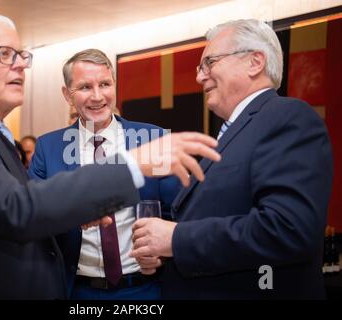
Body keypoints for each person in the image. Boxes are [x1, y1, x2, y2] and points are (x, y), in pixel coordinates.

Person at [0, 14, 220, 299]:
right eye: (5, 54)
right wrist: (131, 164)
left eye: (22, 55)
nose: (21, 64)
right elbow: (18, 209)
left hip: (145, 289)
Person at [131, 19, 334, 299]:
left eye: (209, 63)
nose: (200, 77)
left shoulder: (287, 117)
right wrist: (161, 253)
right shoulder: (231, 134)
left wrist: (175, 240)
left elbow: (287, 229)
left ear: (254, 62)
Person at [28, 49, 182, 299]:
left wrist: (162, 254)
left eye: (105, 84)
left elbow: (178, 212)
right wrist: (71, 214)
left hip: (145, 288)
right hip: (77, 291)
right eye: (85, 87)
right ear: (67, 94)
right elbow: (34, 216)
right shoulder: (48, 148)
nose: (98, 96)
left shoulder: (153, 139)